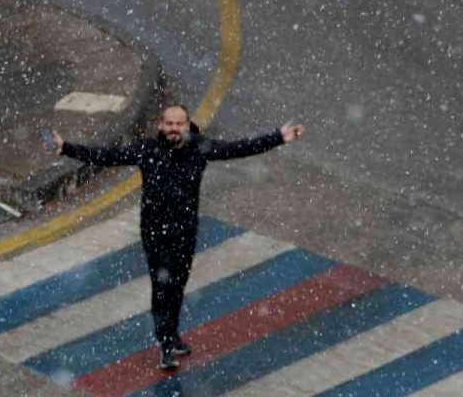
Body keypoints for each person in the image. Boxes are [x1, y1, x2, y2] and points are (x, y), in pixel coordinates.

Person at [46, 105, 305, 369]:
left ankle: (172, 333)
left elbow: (238, 148)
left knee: (178, 284)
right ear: (161, 125)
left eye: (178, 124)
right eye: (169, 124)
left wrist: (278, 137)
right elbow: (108, 156)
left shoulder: (200, 148)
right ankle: (165, 342)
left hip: (185, 231)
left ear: (187, 125)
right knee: (163, 287)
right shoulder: (147, 149)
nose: (173, 129)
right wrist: (66, 148)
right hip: (155, 233)